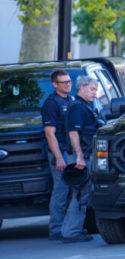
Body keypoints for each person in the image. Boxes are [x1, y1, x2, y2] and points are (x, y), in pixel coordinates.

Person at [62, 75, 103, 242]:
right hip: (81, 156)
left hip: (84, 154)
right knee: (80, 194)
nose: (95, 93)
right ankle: (71, 232)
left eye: (96, 90)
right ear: (82, 88)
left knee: (82, 194)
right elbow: (73, 133)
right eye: (92, 89)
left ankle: (74, 229)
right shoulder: (77, 107)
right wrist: (79, 157)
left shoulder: (84, 106)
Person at [41, 70, 77, 241]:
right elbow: (50, 134)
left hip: (71, 151)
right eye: (63, 82)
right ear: (55, 84)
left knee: (72, 190)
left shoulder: (71, 100)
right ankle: (56, 228)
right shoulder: (51, 104)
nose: (68, 84)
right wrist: (59, 157)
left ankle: (68, 228)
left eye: (69, 81)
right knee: (61, 190)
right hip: (60, 152)